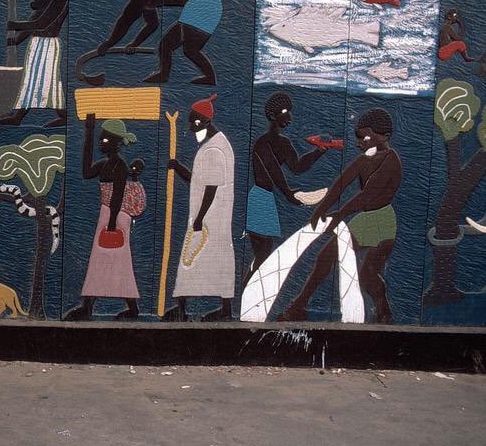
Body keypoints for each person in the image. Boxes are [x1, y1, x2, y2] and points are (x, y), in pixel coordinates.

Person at [279, 108, 401, 324]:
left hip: (382, 221)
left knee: (368, 274)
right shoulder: (366, 159)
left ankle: (384, 311)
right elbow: (341, 183)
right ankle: (299, 305)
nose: (358, 143)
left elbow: (367, 194)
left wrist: (339, 214)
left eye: (364, 137)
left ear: (384, 136)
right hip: (365, 219)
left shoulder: (391, 160)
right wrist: (320, 210)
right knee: (325, 257)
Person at [64, 115, 145, 321]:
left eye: (105, 140)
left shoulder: (119, 165)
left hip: (114, 216)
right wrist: (89, 132)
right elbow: (86, 172)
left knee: (118, 261)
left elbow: (118, 195)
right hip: (108, 214)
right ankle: (89, 305)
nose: (102, 143)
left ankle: (126, 307)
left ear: (118, 143)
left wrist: (111, 224)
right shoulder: (107, 164)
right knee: (102, 261)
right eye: (101, 139)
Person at [244, 92, 328, 286]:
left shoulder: (284, 143)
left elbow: (297, 167)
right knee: (263, 251)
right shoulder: (262, 143)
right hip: (259, 199)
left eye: (289, 112)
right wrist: (288, 193)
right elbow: (273, 169)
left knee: (265, 251)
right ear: (273, 116)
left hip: (268, 199)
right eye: (284, 112)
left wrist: (318, 152)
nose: (289, 117)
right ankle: (248, 289)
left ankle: (251, 288)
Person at [165, 94, 236, 321]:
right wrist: (177, 167)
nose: (191, 126)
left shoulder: (214, 149)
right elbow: (200, 180)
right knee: (197, 262)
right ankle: (185, 307)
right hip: (207, 216)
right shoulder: (212, 145)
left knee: (196, 260)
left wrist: (199, 218)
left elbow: (212, 187)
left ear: (206, 122)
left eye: (195, 121)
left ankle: (188, 308)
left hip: (209, 218)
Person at [0, 0, 69, 127]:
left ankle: (61, 114)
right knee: (34, 79)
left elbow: (44, 23)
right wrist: (16, 39)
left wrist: (15, 25)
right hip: (38, 43)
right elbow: (35, 19)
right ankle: (21, 116)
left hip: (48, 43)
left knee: (46, 78)